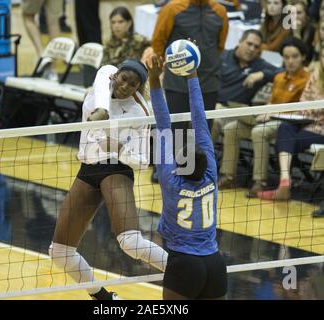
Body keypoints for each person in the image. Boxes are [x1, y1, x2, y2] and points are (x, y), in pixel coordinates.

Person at [49, 59, 168, 300]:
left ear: (138, 89)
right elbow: (103, 94)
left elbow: (143, 161)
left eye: (133, 85)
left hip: (115, 169)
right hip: (88, 167)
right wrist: (102, 112)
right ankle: (103, 298)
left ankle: (184, 272)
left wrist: (118, 148)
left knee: (131, 243)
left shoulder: (140, 110)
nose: (125, 86)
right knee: (59, 253)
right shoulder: (104, 75)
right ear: (117, 74)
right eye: (124, 79)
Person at [147, 54, 227, 300]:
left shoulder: (170, 180)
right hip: (215, 263)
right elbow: (200, 120)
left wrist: (154, 80)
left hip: (183, 264)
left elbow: (163, 123)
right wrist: (192, 75)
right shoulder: (211, 174)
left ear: (179, 165)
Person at [218, 37, 310, 197]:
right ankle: (229, 176)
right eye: (286, 57)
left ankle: (260, 182)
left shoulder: (307, 80)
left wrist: (272, 114)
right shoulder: (279, 77)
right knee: (231, 128)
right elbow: (271, 101)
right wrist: (264, 110)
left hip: (288, 125)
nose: (290, 61)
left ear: (303, 57)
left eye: (294, 57)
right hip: (269, 118)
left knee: (259, 132)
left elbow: (304, 112)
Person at [258, 45, 324, 201]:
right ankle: (285, 180)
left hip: (321, 130)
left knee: (284, 141)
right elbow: (303, 103)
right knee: (285, 128)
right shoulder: (315, 77)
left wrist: (314, 109)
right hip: (309, 124)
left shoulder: (306, 76)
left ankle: (283, 188)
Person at [151, 0, 229, 133]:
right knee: (178, 132)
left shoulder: (220, 12)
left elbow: (219, 46)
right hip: (177, 82)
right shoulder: (172, 9)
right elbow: (158, 42)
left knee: (204, 133)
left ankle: (201, 154)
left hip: (209, 81)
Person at [211, 29, 279, 142]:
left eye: (256, 47)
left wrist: (262, 74)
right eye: (249, 44)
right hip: (214, 106)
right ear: (240, 41)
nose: (252, 49)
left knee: (213, 121)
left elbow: (282, 71)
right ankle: (198, 156)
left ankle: (204, 158)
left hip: (237, 112)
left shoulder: (259, 64)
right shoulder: (222, 56)